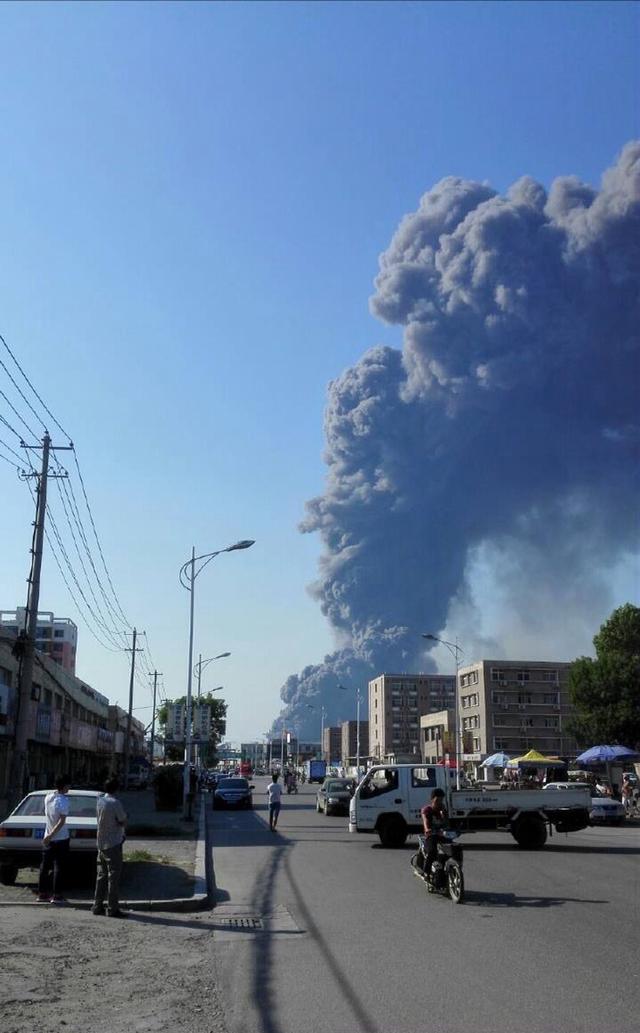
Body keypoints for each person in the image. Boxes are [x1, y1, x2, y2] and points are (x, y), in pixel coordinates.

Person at [92, 777, 128, 918]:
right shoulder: (115, 803)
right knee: (113, 877)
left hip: (101, 842)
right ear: (116, 789)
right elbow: (123, 821)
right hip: (113, 843)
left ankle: (97, 905)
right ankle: (112, 908)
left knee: (101, 875)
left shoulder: (100, 801)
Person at [37, 774, 71, 904]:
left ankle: (42, 893)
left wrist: (48, 836)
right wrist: (52, 835)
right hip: (61, 838)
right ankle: (57, 895)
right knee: (59, 867)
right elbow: (61, 821)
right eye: (68, 785)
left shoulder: (48, 797)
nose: (69, 788)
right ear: (64, 786)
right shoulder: (63, 801)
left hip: (47, 838)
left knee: (44, 866)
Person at [420, 787, 448, 878]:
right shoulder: (427, 810)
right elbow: (425, 821)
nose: (439, 802)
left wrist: (444, 815)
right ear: (432, 799)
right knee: (432, 851)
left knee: (454, 848)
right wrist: (427, 829)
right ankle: (426, 871)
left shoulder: (442, 811)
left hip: (441, 835)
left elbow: (447, 824)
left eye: (441, 800)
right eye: (437, 800)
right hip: (431, 836)